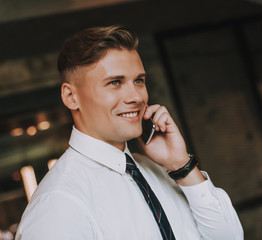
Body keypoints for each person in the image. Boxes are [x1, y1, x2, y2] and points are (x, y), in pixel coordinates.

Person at [15, 25, 243, 240]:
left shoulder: (158, 170)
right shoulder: (58, 203)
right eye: (115, 82)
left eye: (139, 80)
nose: (136, 97)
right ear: (70, 97)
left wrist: (182, 166)